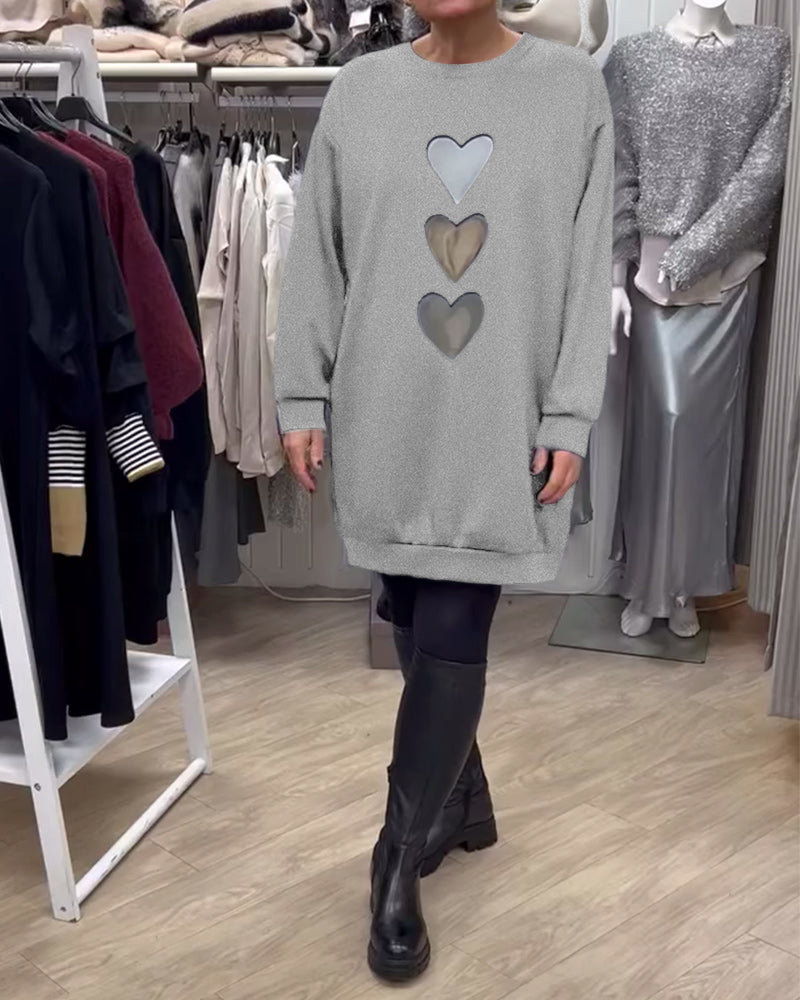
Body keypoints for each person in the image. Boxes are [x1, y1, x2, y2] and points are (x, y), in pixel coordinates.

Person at [274, 0, 614, 982]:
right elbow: (317, 258)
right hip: (382, 410)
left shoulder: (570, 92)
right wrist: (301, 391)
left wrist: (569, 412)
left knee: (456, 628)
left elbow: (586, 261)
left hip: (500, 419)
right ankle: (460, 798)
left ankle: (394, 860)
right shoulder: (360, 92)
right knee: (412, 615)